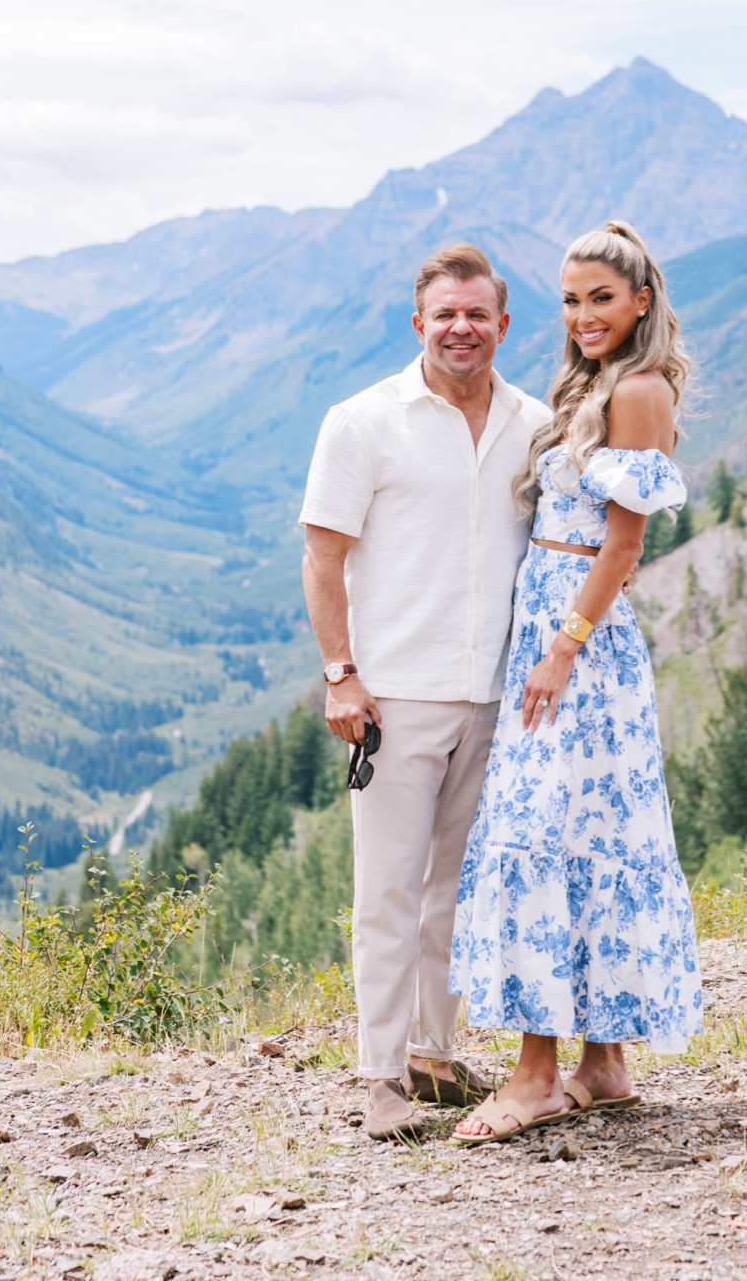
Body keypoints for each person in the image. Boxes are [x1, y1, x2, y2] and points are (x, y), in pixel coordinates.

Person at [449, 220, 702, 1144]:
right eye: (570, 299)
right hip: (560, 631)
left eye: (601, 297)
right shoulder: (595, 386)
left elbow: (626, 543)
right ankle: (602, 1064)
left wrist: (562, 646)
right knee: (587, 832)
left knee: (541, 831)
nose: (584, 315)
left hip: (578, 644)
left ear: (641, 301)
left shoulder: (635, 391)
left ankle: (535, 1075)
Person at [299, 243, 551, 1141]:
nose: (461, 328)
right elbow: (322, 557)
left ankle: (434, 1056)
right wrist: (340, 674)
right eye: (445, 313)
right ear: (418, 323)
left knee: (456, 887)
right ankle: (379, 1083)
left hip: (495, 694)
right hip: (394, 695)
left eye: (477, 314)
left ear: (502, 326)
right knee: (388, 891)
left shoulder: (534, 421)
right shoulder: (363, 422)